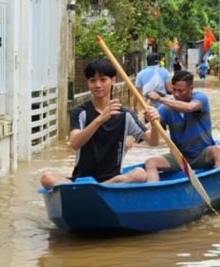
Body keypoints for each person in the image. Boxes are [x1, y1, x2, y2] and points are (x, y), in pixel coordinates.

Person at [40, 58, 160, 188]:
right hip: (82, 180)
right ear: (88, 83)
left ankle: (96, 188)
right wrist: (100, 119)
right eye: (92, 80)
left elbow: (153, 142)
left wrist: (154, 125)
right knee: (47, 178)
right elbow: (74, 144)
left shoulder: (125, 115)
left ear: (113, 80)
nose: (97, 85)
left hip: (114, 181)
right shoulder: (80, 112)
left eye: (103, 80)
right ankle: (90, 188)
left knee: (140, 174)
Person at [144, 71, 220, 182]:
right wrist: (147, 121)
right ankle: (153, 193)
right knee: (150, 163)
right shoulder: (166, 109)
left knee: (217, 151)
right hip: (180, 157)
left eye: (181, 90)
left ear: (191, 88)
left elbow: (189, 107)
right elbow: (149, 127)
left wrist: (161, 99)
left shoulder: (200, 98)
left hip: (202, 154)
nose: (176, 94)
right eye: (174, 90)